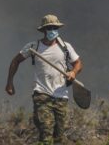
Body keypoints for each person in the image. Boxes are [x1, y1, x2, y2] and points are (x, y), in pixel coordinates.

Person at [6, 14, 83, 144]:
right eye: (50, 28)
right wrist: (9, 83)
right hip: (42, 95)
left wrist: (73, 72)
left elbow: (78, 63)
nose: (53, 30)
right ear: (44, 30)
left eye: (55, 27)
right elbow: (15, 61)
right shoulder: (33, 47)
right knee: (46, 132)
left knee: (59, 136)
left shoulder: (65, 47)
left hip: (61, 96)